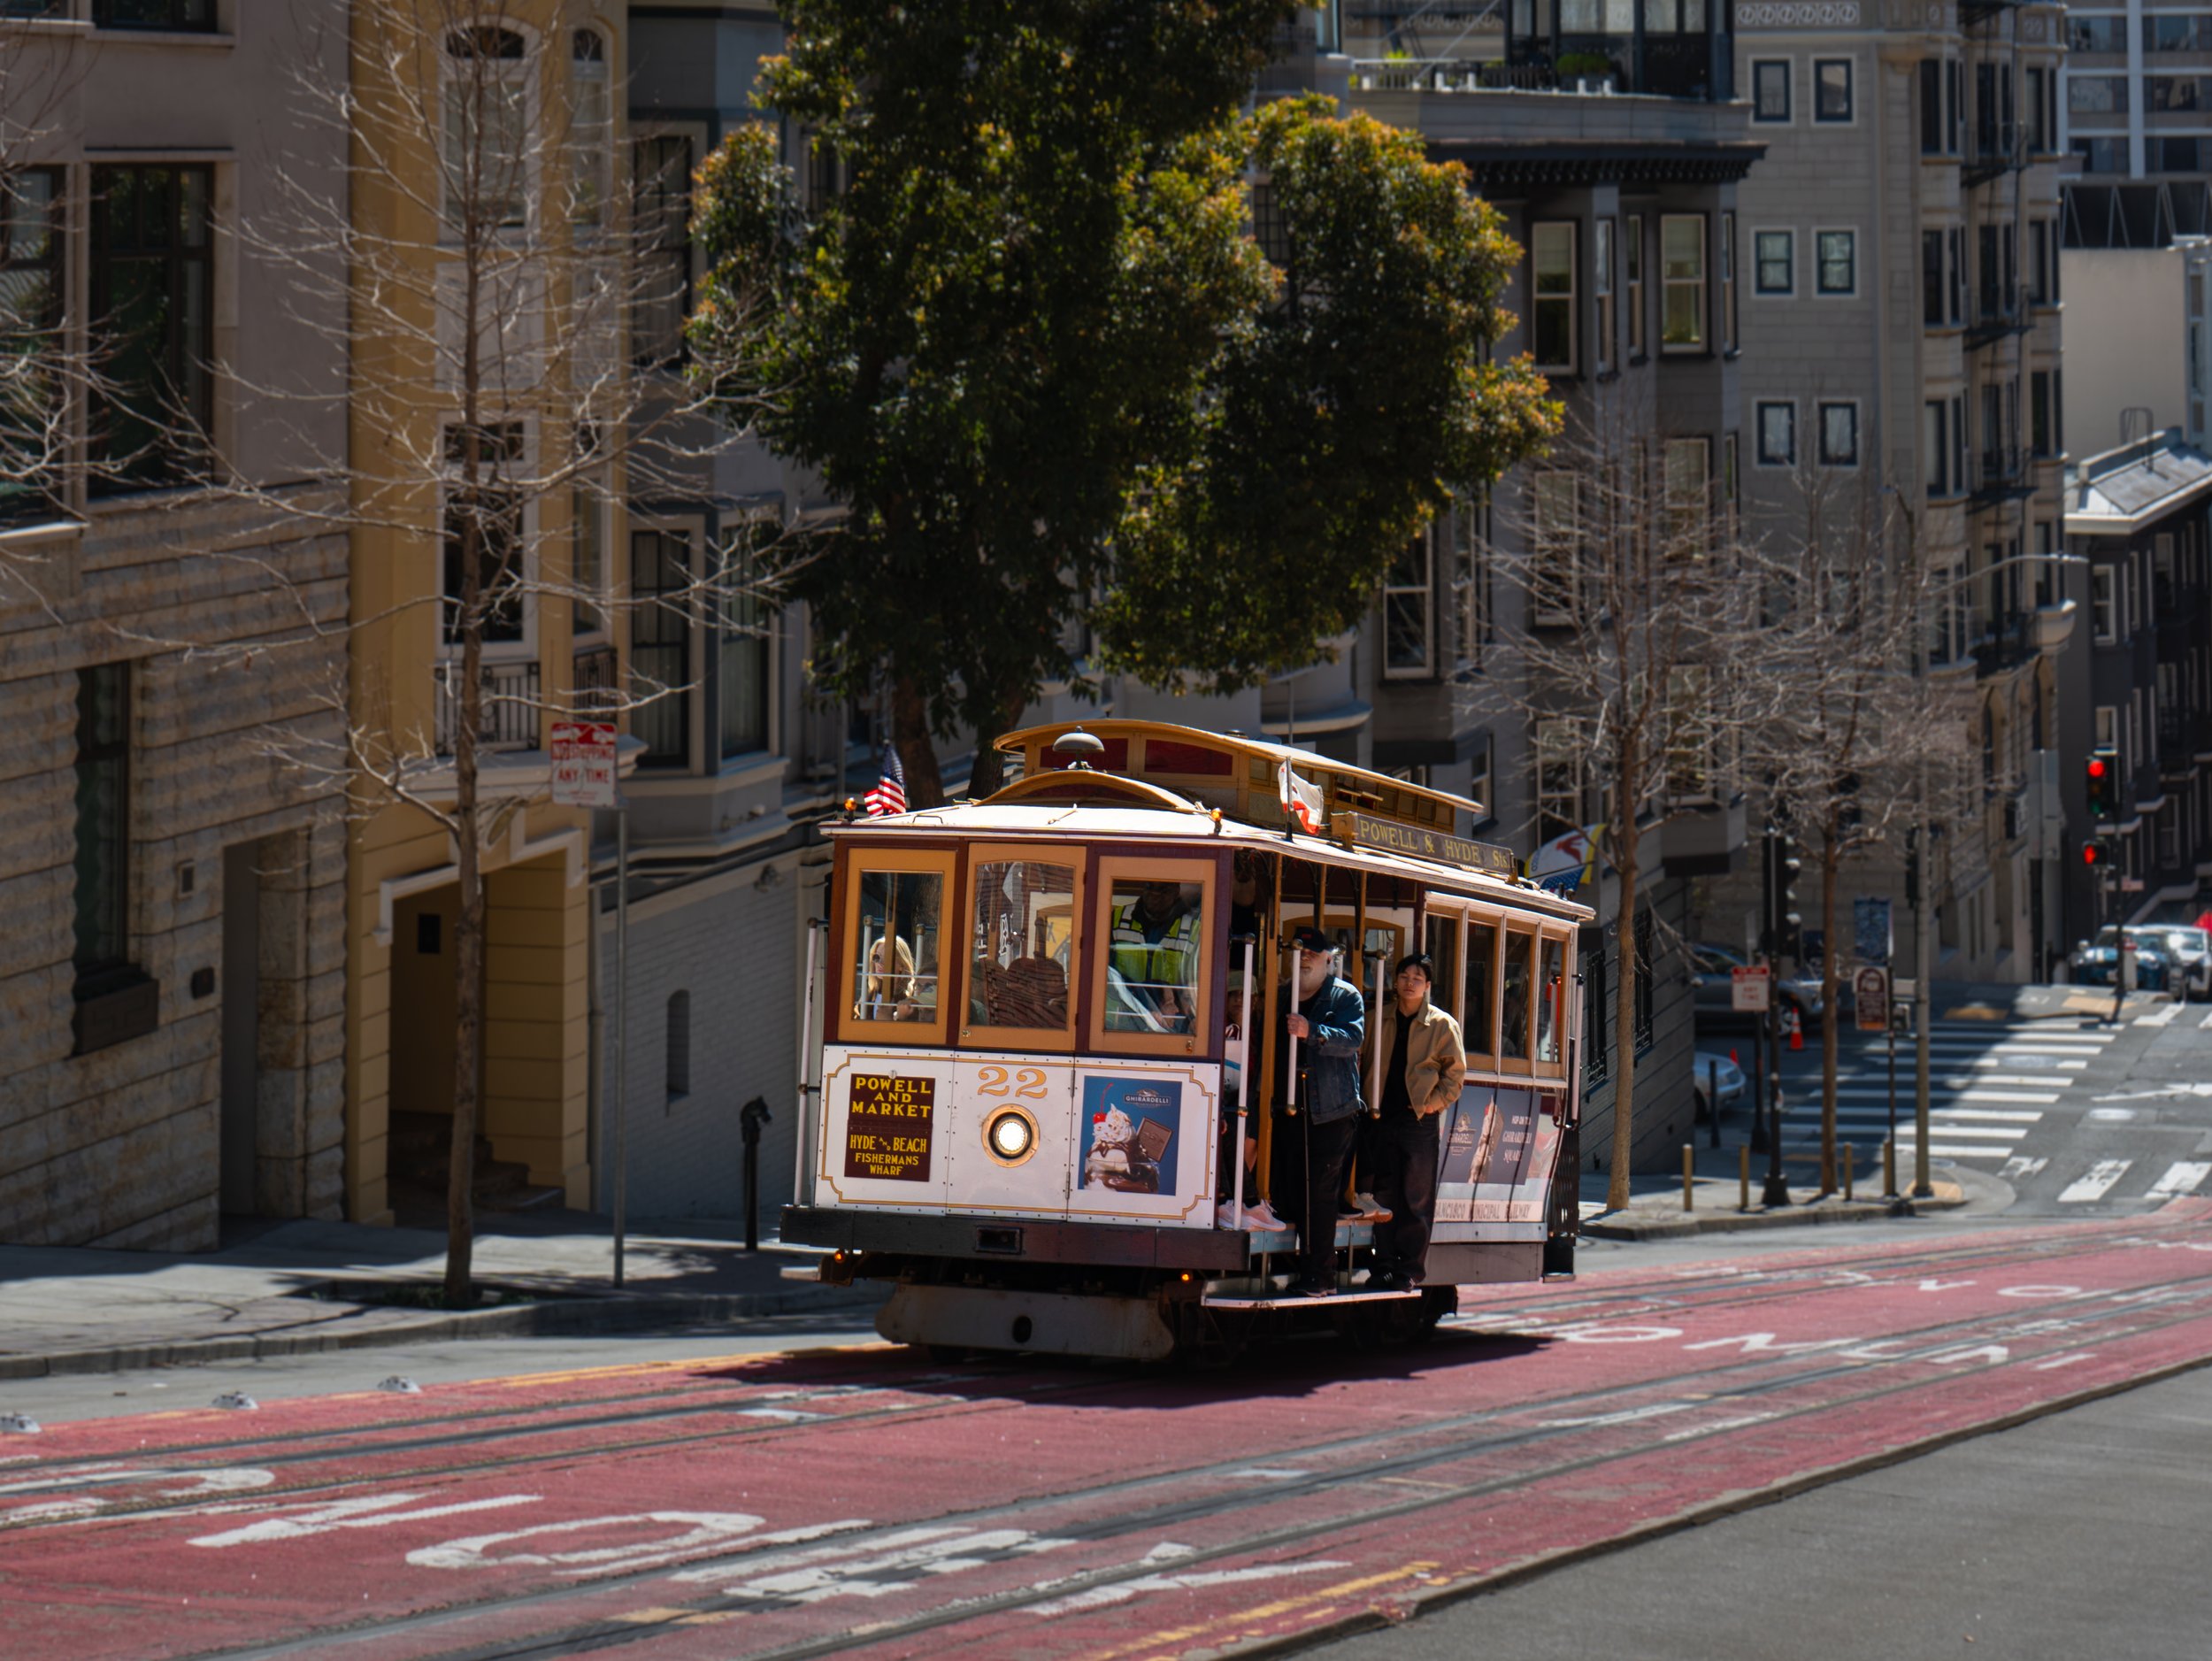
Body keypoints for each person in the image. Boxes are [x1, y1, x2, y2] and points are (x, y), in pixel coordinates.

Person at [1364, 953, 1467, 1291]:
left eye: (1417, 978)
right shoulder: (1378, 1019)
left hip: (1417, 1121)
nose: (1410, 982)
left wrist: (1429, 1106)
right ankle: (1382, 1266)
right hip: (1380, 1117)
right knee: (1382, 1196)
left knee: (1417, 1198)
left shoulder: (1441, 1024)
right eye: (1404, 976)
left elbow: (1455, 1077)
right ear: (1395, 981)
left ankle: (1409, 1270)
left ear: (1427, 986)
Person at [1275, 925, 1367, 1296]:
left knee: (1321, 1194)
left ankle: (1320, 1276)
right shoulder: (1281, 995)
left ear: (1329, 958)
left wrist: (1310, 1030)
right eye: (1299, 952)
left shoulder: (1346, 996)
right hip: (1287, 1108)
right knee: (1289, 1191)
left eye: (1313, 952)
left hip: (1331, 1111)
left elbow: (1353, 1039)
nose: (1306, 957)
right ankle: (1295, 1267)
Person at [1108, 880, 1203, 1031]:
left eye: (1163, 889)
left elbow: (1194, 986)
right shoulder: (1117, 919)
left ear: (1176, 891)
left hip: (1172, 1023)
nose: (1155, 893)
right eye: (1149, 887)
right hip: (1125, 1018)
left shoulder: (1194, 929)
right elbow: (1104, 973)